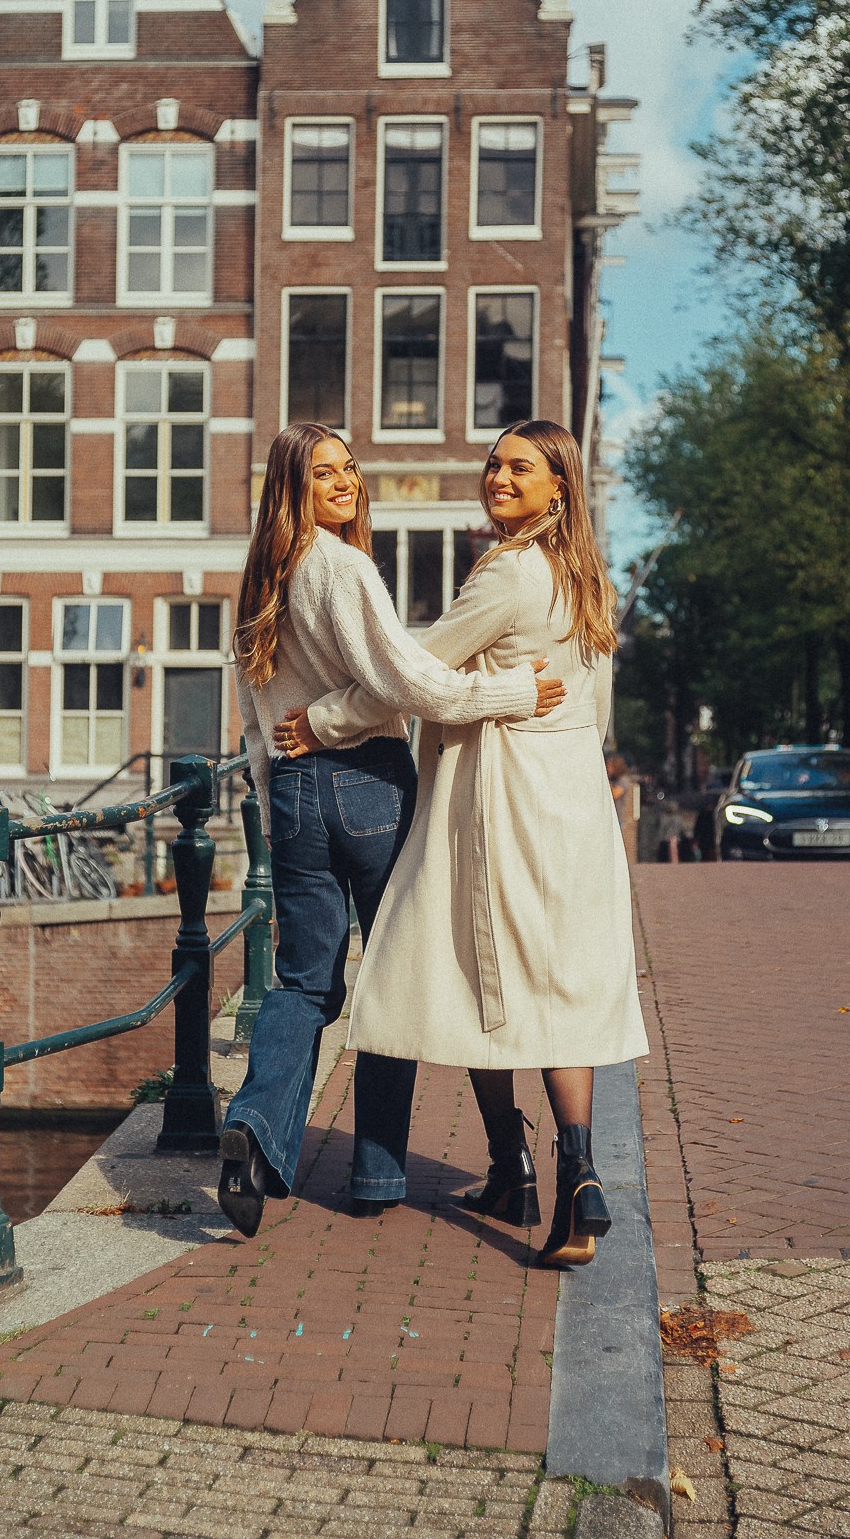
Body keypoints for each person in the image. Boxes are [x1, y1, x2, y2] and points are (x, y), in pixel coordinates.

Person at [276, 420, 649, 1267]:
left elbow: (416, 674)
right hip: (576, 798)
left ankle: (536, 1168)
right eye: (495, 463)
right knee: (556, 984)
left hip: (504, 792)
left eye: (521, 467)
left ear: (560, 487)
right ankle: (552, 1174)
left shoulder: (511, 573)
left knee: (487, 972)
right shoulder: (588, 577)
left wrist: (322, 723)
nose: (498, 476)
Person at [219, 422, 564, 1239]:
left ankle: (258, 1127)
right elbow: (410, 683)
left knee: (303, 980)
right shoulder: (341, 567)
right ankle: (375, 1173)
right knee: (392, 974)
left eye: (350, 469)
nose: (345, 483)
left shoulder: (263, 579)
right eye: (324, 474)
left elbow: (252, 717)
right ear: (293, 490)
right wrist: (511, 694)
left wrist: (275, 803)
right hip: (370, 779)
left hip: (298, 791)